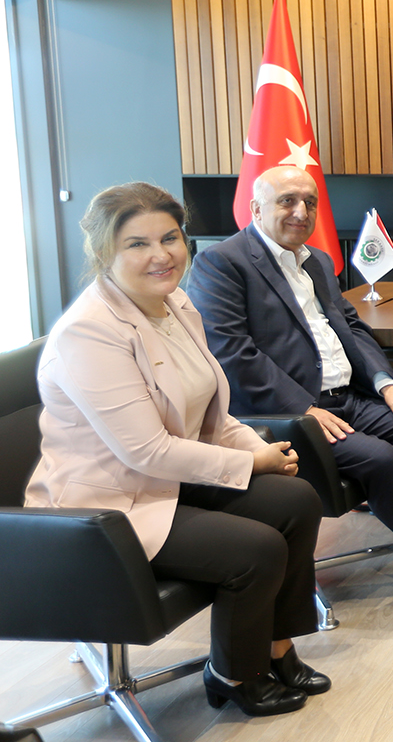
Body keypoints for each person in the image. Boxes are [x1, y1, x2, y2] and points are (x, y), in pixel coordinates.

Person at [26, 183, 327, 717]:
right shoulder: (89, 333)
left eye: (169, 238)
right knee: (256, 548)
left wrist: (261, 448)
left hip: (168, 480)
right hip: (107, 507)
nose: (161, 255)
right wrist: (250, 462)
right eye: (137, 244)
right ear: (104, 252)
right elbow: (146, 451)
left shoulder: (176, 304)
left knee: (296, 499)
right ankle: (234, 673)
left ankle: (276, 646)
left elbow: (210, 413)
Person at [185, 166, 393, 602]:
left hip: (349, 400)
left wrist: (385, 383)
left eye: (309, 202)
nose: (301, 211)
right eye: (287, 201)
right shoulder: (221, 262)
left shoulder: (316, 260)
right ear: (256, 209)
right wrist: (303, 407)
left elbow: (351, 327)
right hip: (287, 416)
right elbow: (232, 352)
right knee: (379, 458)